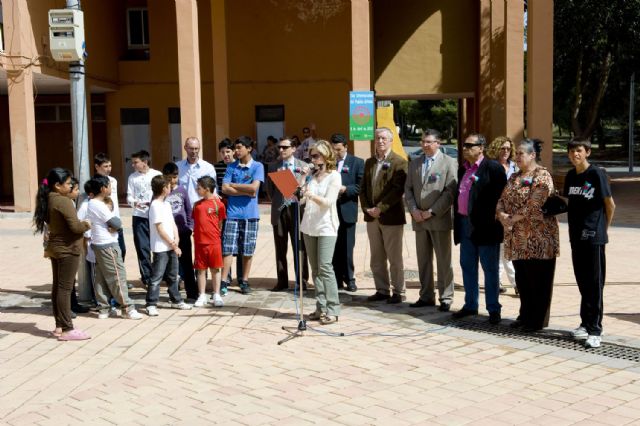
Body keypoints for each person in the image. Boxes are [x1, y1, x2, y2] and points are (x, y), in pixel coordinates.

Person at [496, 139, 559, 332]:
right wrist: (501, 214)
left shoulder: (542, 175)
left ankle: (536, 320)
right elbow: (502, 199)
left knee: (538, 281)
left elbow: (535, 204)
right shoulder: (514, 176)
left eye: (521, 153)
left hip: (538, 239)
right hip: (517, 240)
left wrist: (511, 219)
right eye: (517, 154)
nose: (517, 157)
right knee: (523, 280)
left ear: (533, 155)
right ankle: (525, 315)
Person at [564, 139, 615, 349]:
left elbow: (610, 205)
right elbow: (569, 203)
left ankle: (595, 330)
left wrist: (603, 229)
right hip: (576, 236)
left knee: (595, 284)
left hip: (593, 236)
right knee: (583, 282)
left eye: (579, 151)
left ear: (587, 152)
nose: (575, 154)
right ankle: (585, 324)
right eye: (571, 151)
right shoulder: (570, 176)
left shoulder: (596, 174)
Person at [452, 133, 506, 324]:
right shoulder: (463, 169)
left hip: (486, 227)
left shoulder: (493, 168)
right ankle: (470, 305)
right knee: (467, 266)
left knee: (489, 269)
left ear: (481, 148)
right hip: (465, 224)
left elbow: (502, 198)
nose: (465, 148)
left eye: (469, 145)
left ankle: (493, 309)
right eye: (464, 145)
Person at [33, 168, 92, 341]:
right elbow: (75, 227)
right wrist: (86, 224)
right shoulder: (63, 201)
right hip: (68, 249)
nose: (70, 186)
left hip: (56, 248)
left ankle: (59, 325)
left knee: (58, 287)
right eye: (67, 183)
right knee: (65, 289)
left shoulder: (49, 198)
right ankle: (67, 328)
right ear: (57, 186)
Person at [404, 129, 457, 312]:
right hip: (419, 220)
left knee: (444, 261)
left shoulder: (449, 163)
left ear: (438, 143)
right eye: (423, 141)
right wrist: (413, 210)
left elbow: (450, 192)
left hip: (439, 219)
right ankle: (426, 295)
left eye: (429, 142)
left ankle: (446, 297)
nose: (425, 145)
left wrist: (432, 212)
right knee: (423, 261)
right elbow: (408, 189)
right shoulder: (415, 163)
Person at [360, 127, 408, 304]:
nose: (380, 141)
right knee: (376, 256)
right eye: (378, 138)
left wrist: (380, 208)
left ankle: (399, 291)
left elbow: (397, 190)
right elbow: (363, 188)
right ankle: (382, 289)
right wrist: (366, 207)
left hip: (391, 217)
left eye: (384, 139)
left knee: (394, 257)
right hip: (372, 217)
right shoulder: (369, 162)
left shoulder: (399, 161)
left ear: (391, 141)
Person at [88, 175, 144, 320]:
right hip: (107, 245)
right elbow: (117, 223)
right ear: (103, 188)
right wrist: (115, 224)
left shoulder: (93, 203)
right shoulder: (98, 204)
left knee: (101, 277)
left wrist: (113, 225)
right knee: (117, 277)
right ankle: (127, 308)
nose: (111, 189)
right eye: (109, 186)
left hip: (99, 244)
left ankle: (104, 308)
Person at [301, 140, 342, 325]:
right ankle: (321, 307)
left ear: (326, 156)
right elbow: (299, 199)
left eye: (316, 155)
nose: (313, 159)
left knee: (325, 267)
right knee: (315, 269)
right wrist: (303, 179)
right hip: (309, 225)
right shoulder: (311, 176)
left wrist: (311, 195)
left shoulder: (334, 176)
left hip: (326, 226)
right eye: (311, 156)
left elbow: (328, 201)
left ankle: (333, 309)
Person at [220, 136, 265, 294]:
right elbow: (224, 189)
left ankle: (244, 281)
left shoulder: (258, 166)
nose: (236, 151)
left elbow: (254, 189)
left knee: (247, 250)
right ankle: (224, 281)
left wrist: (234, 186)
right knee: (227, 249)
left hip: (251, 215)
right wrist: (243, 189)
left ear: (249, 148)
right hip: (232, 215)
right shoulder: (232, 167)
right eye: (236, 148)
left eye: (239, 148)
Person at [266, 137, 311, 291]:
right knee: (280, 247)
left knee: (300, 246)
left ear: (294, 148)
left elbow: (307, 188)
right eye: (280, 147)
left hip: (297, 210)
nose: (281, 150)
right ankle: (282, 280)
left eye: (285, 147)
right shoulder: (273, 166)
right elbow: (270, 191)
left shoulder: (304, 166)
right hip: (279, 210)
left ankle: (302, 280)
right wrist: (280, 201)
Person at [145, 175, 192, 316]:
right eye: (168, 185)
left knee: (173, 275)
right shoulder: (155, 205)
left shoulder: (166, 204)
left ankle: (176, 300)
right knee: (157, 277)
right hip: (161, 247)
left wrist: (176, 238)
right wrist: (173, 244)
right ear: (163, 188)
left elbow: (172, 223)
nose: (171, 187)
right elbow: (159, 229)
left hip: (171, 245)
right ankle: (151, 303)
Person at [330, 133, 364, 292]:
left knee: (348, 247)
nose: (336, 153)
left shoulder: (357, 162)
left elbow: (360, 186)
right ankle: (336, 279)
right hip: (330, 212)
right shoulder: (328, 163)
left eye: (338, 150)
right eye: (333, 149)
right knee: (334, 247)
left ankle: (350, 278)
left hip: (347, 210)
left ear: (345, 147)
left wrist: (345, 189)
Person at [486, 137, 518, 294]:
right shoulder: (490, 166)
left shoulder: (515, 167)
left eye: (508, 148)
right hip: (495, 213)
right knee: (499, 249)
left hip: (512, 214)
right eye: (502, 148)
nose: (506, 151)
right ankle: (501, 282)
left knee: (509, 249)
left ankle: (515, 282)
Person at [162, 162, 197, 301]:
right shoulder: (161, 192)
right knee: (170, 266)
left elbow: (189, 209)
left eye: (175, 177)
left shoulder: (182, 190)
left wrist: (190, 226)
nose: (172, 180)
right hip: (168, 235)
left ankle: (192, 293)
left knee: (187, 263)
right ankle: (174, 294)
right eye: (169, 177)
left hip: (183, 232)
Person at [126, 150, 162, 286]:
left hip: (155, 216)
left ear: (145, 162)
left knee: (159, 247)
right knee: (142, 247)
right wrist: (135, 202)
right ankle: (147, 278)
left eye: (136, 162)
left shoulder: (156, 174)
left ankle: (159, 275)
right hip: (139, 216)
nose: (133, 165)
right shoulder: (132, 177)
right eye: (133, 163)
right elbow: (129, 196)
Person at [192, 176, 226, 307]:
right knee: (200, 270)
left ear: (206, 189)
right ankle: (202, 295)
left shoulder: (219, 204)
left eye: (198, 187)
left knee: (215, 269)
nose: (196, 189)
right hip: (200, 242)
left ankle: (216, 294)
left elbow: (220, 223)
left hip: (214, 243)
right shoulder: (197, 205)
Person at [214, 138, 243, 287]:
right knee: (225, 243)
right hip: (221, 207)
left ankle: (241, 277)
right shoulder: (215, 168)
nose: (225, 155)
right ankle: (227, 276)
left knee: (240, 241)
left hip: (237, 207)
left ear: (234, 152)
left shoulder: (239, 166)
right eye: (222, 152)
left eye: (228, 151)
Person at [94, 152, 126, 261]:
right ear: (97, 167)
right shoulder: (93, 183)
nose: (108, 169)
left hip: (116, 219)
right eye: (105, 166)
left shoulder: (113, 181)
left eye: (110, 166)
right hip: (105, 222)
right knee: (110, 254)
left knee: (122, 250)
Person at [177, 136, 217, 208]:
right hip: (183, 208)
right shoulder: (178, 167)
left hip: (202, 208)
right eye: (191, 149)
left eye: (196, 148)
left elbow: (213, 191)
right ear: (185, 148)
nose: (194, 151)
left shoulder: (208, 168)